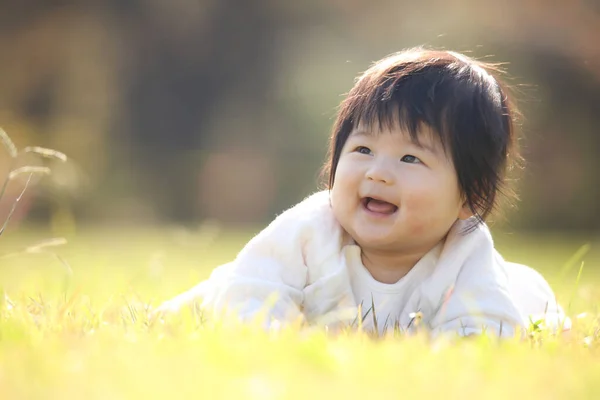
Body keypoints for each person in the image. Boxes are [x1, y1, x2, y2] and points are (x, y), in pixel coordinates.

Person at [156, 48, 569, 337]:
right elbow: (251, 296)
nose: (378, 172)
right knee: (209, 297)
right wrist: (281, 340)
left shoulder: (466, 257)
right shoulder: (309, 231)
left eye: (410, 159)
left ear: (469, 198)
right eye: (363, 149)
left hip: (512, 290)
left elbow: (484, 334)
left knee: (528, 297)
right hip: (235, 286)